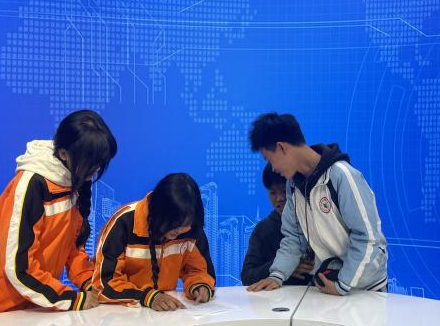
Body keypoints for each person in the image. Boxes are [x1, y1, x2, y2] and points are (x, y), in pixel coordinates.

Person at [0, 110, 117, 316]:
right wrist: (70, 299)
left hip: (27, 298)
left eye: (100, 162)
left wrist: (90, 283)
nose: (97, 168)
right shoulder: (32, 185)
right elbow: (18, 268)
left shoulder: (73, 180)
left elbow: (73, 248)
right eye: (91, 161)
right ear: (64, 154)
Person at [246, 112, 388, 296]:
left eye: (269, 160)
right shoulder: (293, 186)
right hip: (330, 284)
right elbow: (294, 237)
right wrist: (277, 275)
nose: (273, 168)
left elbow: (367, 237)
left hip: (366, 287)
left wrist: (343, 284)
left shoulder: (342, 176)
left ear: (281, 147)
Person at [92, 173, 215, 311]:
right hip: (122, 313)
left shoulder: (191, 228)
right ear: (159, 211)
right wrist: (147, 297)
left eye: (186, 224)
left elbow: (199, 270)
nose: (181, 230)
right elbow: (103, 283)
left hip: (167, 313)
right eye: (175, 224)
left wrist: (200, 285)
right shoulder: (124, 222)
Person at [240, 164, 314, 286]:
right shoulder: (263, 230)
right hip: (278, 295)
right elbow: (247, 276)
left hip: (320, 294)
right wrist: (285, 266)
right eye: (273, 193)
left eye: (284, 191)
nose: (279, 198)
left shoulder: (314, 221)